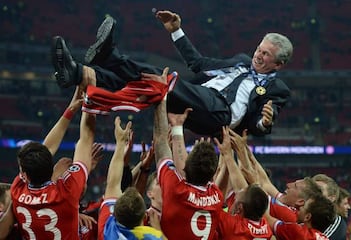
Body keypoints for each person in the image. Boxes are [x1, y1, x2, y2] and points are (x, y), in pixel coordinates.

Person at [52, 10, 293, 137]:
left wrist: (264, 122)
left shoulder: (277, 89)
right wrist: (176, 31)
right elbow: (198, 63)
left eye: (266, 55)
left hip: (220, 114)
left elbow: (258, 126)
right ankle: (78, 74)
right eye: (259, 49)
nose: (258, 55)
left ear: (278, 65)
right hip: (199, 99)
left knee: (161, 78)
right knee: (146, 86)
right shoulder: (240, 61)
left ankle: (109, 56)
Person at [10, 91, 96, 239]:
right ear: (51, 166)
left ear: (24, 175)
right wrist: (89, 104)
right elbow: (85, 140)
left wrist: (73, 109)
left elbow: (47, 149)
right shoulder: (66, 192)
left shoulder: (17, 191)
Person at [151, 68, 224, 239]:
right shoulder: (216, 197)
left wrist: (161, 96)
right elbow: (186, 170)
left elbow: (161, 140)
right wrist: (176, 127)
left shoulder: (177, 190)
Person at [96, 116, 166, 240]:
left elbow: (113, 183)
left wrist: (120, 143)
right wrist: (158, 231)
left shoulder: (108, 229)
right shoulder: (152, 235)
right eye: (159, 183)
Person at [265, 193, 336, 240]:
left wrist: (261, 195)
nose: (300, 206)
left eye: (303, 206)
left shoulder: (298, 232)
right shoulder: (324, 238)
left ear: (307, 217)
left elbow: (267, 218)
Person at [312, 174, 347, 240]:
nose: (313, 193)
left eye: (319, 190)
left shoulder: (335, 222)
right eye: (312, 189)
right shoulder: (301, 215)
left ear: (331, 198)